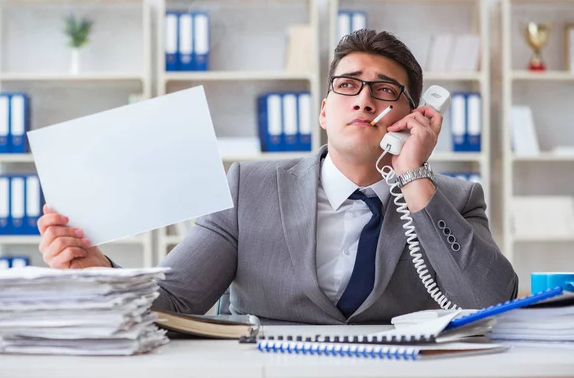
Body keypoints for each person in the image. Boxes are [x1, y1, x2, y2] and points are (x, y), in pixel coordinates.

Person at [37, 29, 518, 325]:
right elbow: (175, 301)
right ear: (325, 110)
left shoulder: (455, 198)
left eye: (385, 90)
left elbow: (491, 297)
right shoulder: (249, 187)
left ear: (414, 116)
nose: (364, 100)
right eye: (348, 86)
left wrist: (413, 175)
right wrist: (102, 273)